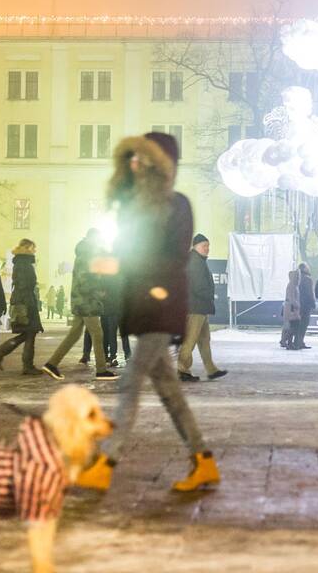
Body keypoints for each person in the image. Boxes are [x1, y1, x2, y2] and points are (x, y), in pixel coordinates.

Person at [76, 131, 219, 493]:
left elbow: (171, 258)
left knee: (130, 383)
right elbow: (130, 253)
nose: (138, 166)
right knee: (171, 393)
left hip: (161, 305)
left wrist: (135, 270)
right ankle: (203, 462)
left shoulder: (177, 205)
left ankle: (106, 463)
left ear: (162, 165)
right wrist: (110, 264)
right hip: (141, 306)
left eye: (144, 160)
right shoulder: (136, 205)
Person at [40, 230, 116, 382]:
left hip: (82, 299)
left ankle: (51, 364)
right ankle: (101, 370)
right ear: (92, 239)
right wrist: (98, 290)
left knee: (74, 334)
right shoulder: (87, 255)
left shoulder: (85, 254)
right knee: (97, 333)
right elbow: (86, 279)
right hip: (87, 301)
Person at [0, 240, 44, 375]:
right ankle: (25, 365)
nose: (34, 251)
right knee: (30, 332)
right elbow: (24, 284)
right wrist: (29, 301)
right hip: (25, 302)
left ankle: (1, 354)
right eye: (33, 248)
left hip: (23, 300)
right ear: (26, 247)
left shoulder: (21, 261)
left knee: (27, 333)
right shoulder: (24, 263)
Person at [179, 233, 227, 381]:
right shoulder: (195, 261)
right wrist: (210, 295)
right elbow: (199, 286)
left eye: (208, 246)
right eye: (204, 246)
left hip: (200, 307)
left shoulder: (197, 260)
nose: (207, 249)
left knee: (204, 340)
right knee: (191, 340)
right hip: (196, 308)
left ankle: (211, 369)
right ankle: (182, 369)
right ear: (195, 247)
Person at [100, 270, 128, 365]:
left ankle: (110, 356)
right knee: (120, 334)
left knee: (109, 334)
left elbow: (102, 293)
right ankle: (127, 355)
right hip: (118, 308)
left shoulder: (105, 277)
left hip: (109, 309)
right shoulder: (122, 276)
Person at [296, 263, 315, 350]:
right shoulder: (307, 279)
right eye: (307, 267)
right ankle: (300, 342)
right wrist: (313, 303)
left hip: (298, 303)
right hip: (306, 305)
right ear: (304, 269)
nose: (309, 268)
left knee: (298, 324)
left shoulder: (297, 279)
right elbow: (310, 293)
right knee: (304, 324)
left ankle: (296, 341)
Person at [282, 270, 302, 349]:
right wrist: (297, 305)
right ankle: (285, 340)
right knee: (294, 327)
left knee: (293, 326)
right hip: (292, 309)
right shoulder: (292, 286)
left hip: (292, 309)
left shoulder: (293, 285)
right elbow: (292, 298)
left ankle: (289, 343)